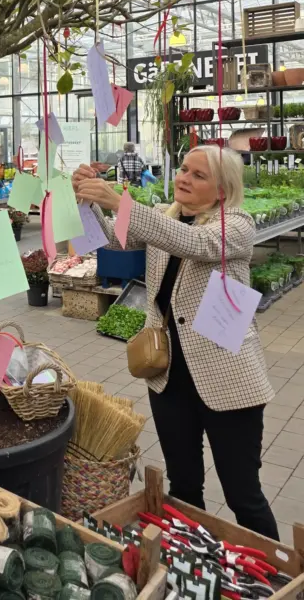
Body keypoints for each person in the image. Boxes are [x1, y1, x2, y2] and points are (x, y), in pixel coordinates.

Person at [73, 145, 278, 539]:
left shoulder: (237, 225)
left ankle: (278, 570)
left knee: (243, 494)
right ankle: (193, 559)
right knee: (183, 485)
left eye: (198, 175)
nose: (184, 178)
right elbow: (112, 240)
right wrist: (86, 199)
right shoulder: (167, 215)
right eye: (184, 169)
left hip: (226, 379)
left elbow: (194, 243)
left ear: (222, 190)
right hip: (168, 377)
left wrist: (120, 201)